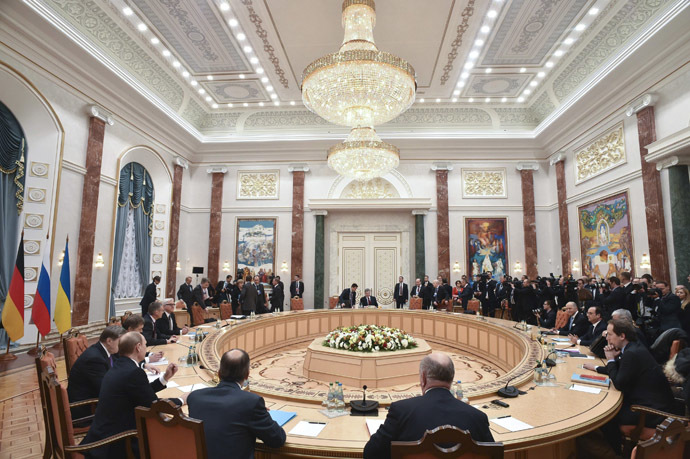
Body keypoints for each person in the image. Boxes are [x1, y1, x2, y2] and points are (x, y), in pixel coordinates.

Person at [363, 353, 493, 459]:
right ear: (452, 378)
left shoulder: (401, 411)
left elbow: (371, 453)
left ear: (423, 378)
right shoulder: (478, 417)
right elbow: (494, 454)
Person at [81, 332, 186, 458]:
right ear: (138, 347)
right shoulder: (133, 372)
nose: (146, 348)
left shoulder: (120, 366)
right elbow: (154, 406)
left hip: (102, 433)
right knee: (170, 437)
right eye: (145, 345)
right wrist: (182, 399)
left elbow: (141, 392)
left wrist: (165, 378)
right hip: (117, 442)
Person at [188, 349, 286, 459]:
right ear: (247, 375)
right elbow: (277, 439)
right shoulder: (251, 402)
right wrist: (261, 414)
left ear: (219, 373)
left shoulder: (194, 397)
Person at [599, 319, 677, 455]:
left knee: (606, 417)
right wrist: (602, 365)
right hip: (653, 402)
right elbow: (623, 371)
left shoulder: (631, 353)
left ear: (622, 336)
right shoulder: (633, 347)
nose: (607, 337)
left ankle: (617, 454)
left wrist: (611, 359)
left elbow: (619, 383)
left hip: (651, 412)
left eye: (610, 334)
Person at [67, 326, 125, 421]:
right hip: (86, 411)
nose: (122, 345)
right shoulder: (94, 359)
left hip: (94, 401)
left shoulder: (102, 351)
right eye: (120, 342)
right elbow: (105, 389)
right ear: (109, 341)